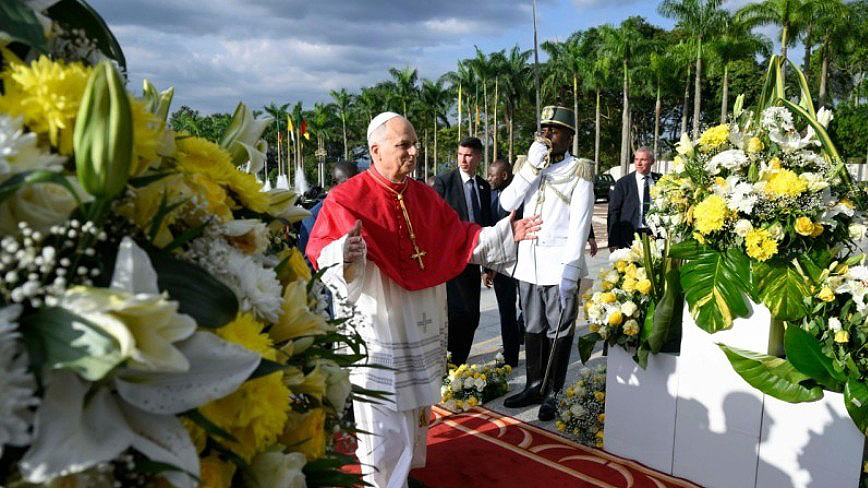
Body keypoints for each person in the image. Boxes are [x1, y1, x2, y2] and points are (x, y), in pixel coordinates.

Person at [306, 112, 540, 488]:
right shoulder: (346, 198)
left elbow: (461, 237)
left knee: (414, 407)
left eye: (414, 144)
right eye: (404, 145)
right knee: (382, 412)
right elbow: (320, 253)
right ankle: (382, 481)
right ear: (375, 150)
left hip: (418, 320)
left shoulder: (424, 196)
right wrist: (342, 254)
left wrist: (505, 234)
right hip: (380, 322)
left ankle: (403, 473)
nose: (414, 152)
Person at [498, 105, 594, 421]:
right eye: (544, 129)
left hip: (558, 266)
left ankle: (552, 392)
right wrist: (531, 168)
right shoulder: (530, 164)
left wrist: (572, 268)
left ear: (569, 136)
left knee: (559, 330)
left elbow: (580, 223)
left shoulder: (578, 170)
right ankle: (533, 385)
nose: (548, 135)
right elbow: (507, 203)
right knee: (534, 326)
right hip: (529, 264)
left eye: (555, 130)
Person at [432, 137, 492, 365]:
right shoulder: (444, 183)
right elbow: (435, 223)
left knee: (472, 315)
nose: (463, 160)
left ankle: (460, 361)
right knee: (455, 314)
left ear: (477, 157)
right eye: (460, 154)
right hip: (450, 261)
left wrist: (488, 265)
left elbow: (486, 224)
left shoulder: (484, 187)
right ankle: (450, 362)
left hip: (475, 260)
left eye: (468, 155)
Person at [482, 159, 521, 367]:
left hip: (524, 262)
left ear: (504, 176)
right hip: (501, 265)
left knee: (527, 308)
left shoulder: (521, 194)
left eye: (492, 175)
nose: (488, 179)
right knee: (506, 310)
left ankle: (521, 334)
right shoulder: (490, 195)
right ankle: (511, 355)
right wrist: (489, 267)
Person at [298, 160, 359, 254]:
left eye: (357, 182)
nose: (354, 188)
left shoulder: (366, 209)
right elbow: (307, 259)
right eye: (348, 183)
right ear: (335, 183)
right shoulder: (313, 216)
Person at [607, 147, 661, 252]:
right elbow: (613, 212)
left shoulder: (660, 181)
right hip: (629, 236)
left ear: (652, 161)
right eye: (636, 159)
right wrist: (613, 241)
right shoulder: (623, 183)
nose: (639, 163)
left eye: (643, 160)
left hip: (654, 236)